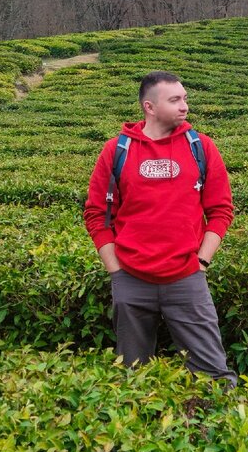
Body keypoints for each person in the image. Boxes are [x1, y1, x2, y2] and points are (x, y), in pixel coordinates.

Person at [84, 70, 237, 385]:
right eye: (175, 100)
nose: (185, 106)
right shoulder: (117, 151)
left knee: (213, 375)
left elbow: (221, 209)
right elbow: (97, 213)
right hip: (131, 279)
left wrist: (202, 262)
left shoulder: (202, 147)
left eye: (185, 99)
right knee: (131, 377)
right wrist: (116, 270)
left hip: (186, 278)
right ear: (149, 108)